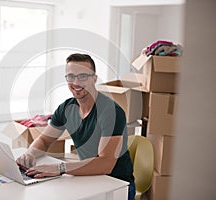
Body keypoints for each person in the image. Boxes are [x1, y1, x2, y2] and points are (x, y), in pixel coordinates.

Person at [16, 53, 135, 200]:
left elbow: (105, 163)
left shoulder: (111, 112)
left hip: (118, 185)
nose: (76, 82)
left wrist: (60, 168)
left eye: (83, 76)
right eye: (71, 76)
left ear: (94, 79)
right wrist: (30, 154)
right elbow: (45, 140)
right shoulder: (66, 108)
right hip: (88, 179)